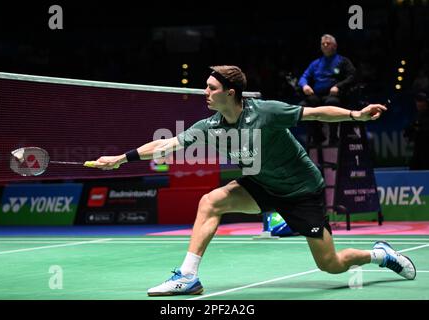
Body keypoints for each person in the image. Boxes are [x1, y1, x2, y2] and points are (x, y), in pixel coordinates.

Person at [91, 65, 415, 296]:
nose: (204, 92)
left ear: (230, 93)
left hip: (302, 191)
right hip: (260, 184)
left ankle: (380, 254)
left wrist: (355, 116)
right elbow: (165, 145)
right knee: (211, 201)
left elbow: (315, 114)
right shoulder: (209, 126)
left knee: (330, 264)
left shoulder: (266, 112)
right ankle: (188, 276)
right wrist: (121, 158)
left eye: (211, 88)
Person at [298, 34, 357, 145]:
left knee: (331, 102)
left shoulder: (342, 61)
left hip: (335, 95)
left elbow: (352, 76)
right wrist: (305, 85)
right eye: (323, 44)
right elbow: (304, 77)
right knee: (303, 106)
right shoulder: (315, 63)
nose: (325, 45)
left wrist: (338, 86)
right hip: (317, 95)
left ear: (334, 46)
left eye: (328, 43)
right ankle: (318, 136)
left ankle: (334, 137)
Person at [404, 92, 429, 170]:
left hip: (426, 150)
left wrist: (419, 128)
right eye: (417, 101)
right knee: (414, 169)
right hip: (419, 150)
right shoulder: (417, 116)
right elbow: (408, 131)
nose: (418, 103)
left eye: (421, 101)